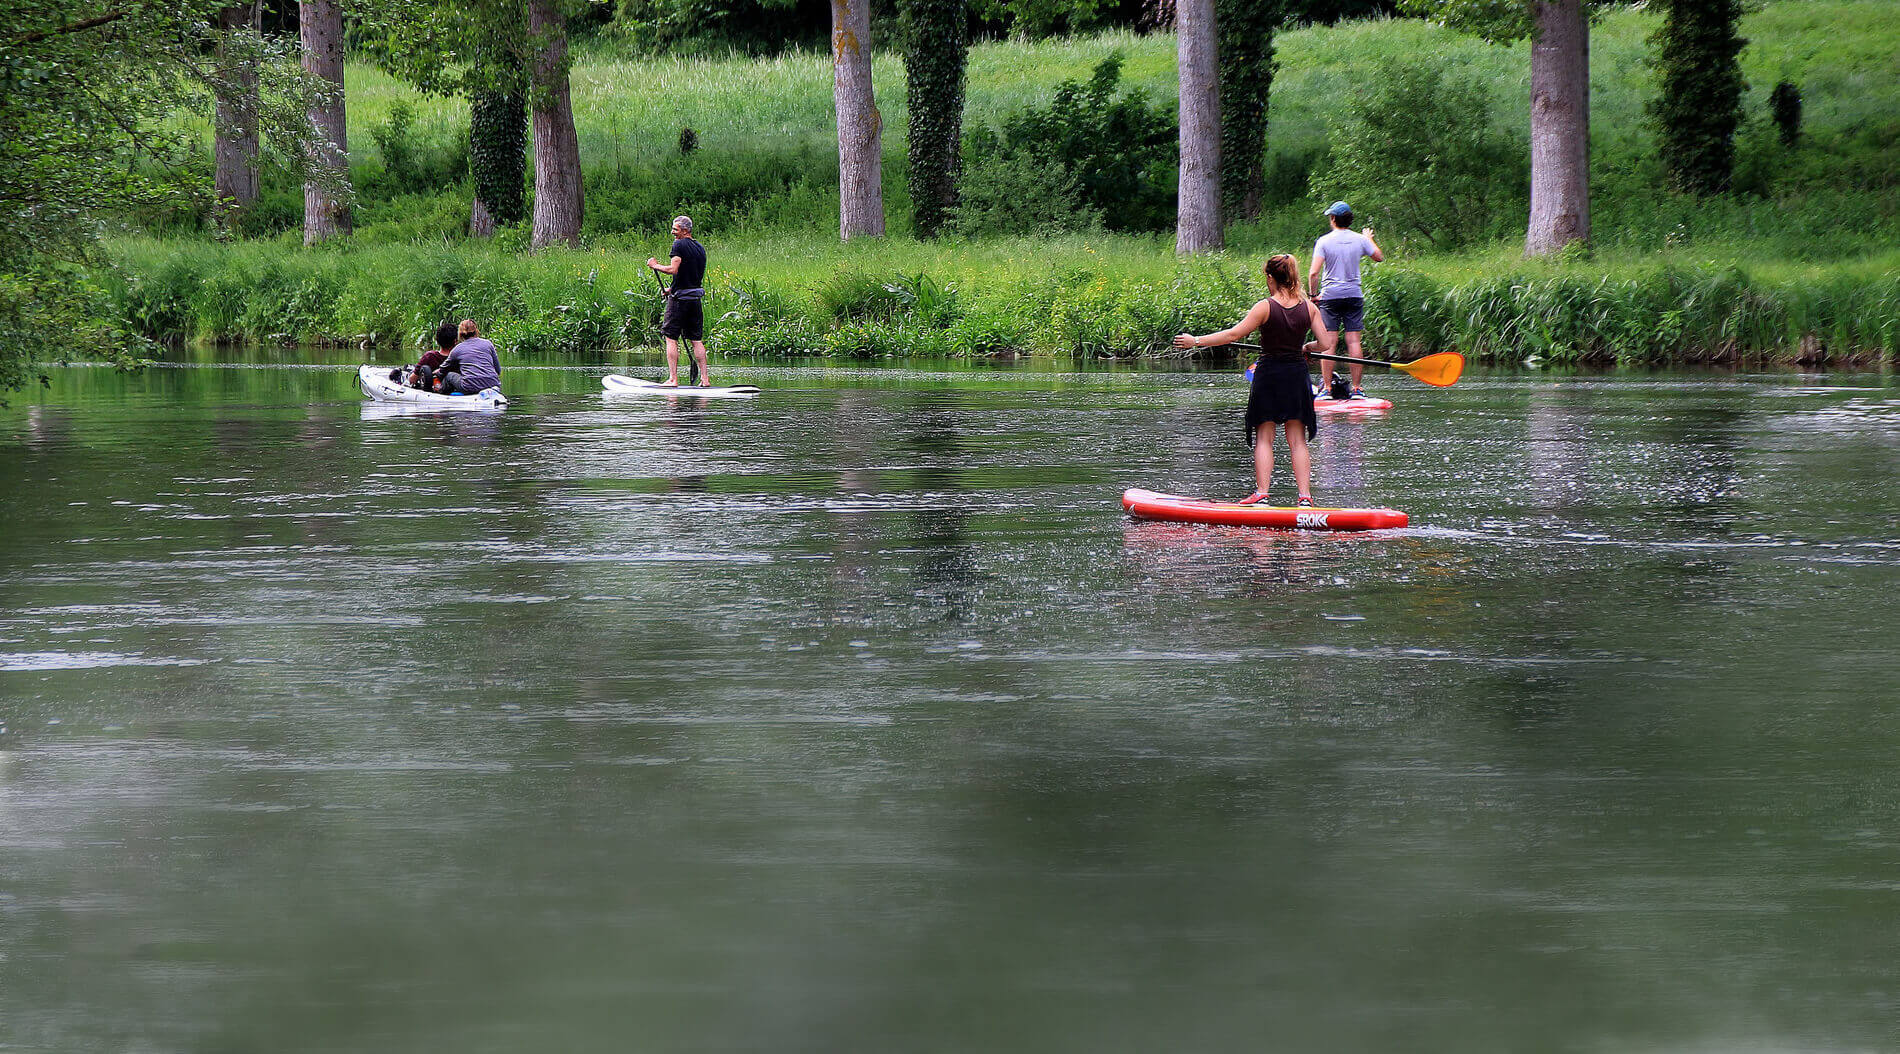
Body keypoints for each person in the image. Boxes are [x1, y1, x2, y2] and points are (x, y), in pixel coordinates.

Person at [1173, 253, 1337, 507]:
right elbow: (1325, 344)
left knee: (1265, 437)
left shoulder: (1265, 307)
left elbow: (1233, 334)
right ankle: (1305, 497)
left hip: (1270, 374)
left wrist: (1195, 341)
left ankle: (1262, 493)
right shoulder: (1310, 308)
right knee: (1297, 439)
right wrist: (1307, 346)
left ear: (1271, 278)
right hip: (1296, 375)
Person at [1307, 201, 1384, 400]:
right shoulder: (1360, 240)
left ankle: (1326, 390)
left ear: (1333, 219)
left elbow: (1314, 273)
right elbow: (1379, 257)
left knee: (1329, 342)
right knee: (1354, 340)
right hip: (1354, 294)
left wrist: (1313, 295)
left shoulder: (1324, 241)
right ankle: (1357, 389)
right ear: (1348, 219)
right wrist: (1369, 239)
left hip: (1330, 296)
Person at [646, 215, 712, 387]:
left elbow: (673, 269)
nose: (672, 232)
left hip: (680, 300)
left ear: (685, 230)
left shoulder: (679, 244)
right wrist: (671, 289)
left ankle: (673, 379)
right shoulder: (700, 248)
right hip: (694, 299)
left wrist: (655, 265)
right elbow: (688, 274)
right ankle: (705, 380)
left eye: (675, 229)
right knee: (696, 339)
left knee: (670, 337)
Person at [438, 319, 502, 395]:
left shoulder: (457, 349)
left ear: (460, 334)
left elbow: (443, 369)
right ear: (476, 331)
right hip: (493, 384)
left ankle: (441, 394)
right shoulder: (488, 344)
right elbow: (498, 370)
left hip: (469, 387)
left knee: (449, 376)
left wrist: (437, 373)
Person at [400, 321, 458, 391]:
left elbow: (412, 379)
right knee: (409, 367)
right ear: (455, 341)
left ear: (437, 340)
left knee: (406, 368)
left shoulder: (430, 356)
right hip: (447, 386)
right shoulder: (460, 358)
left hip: (432, 386)